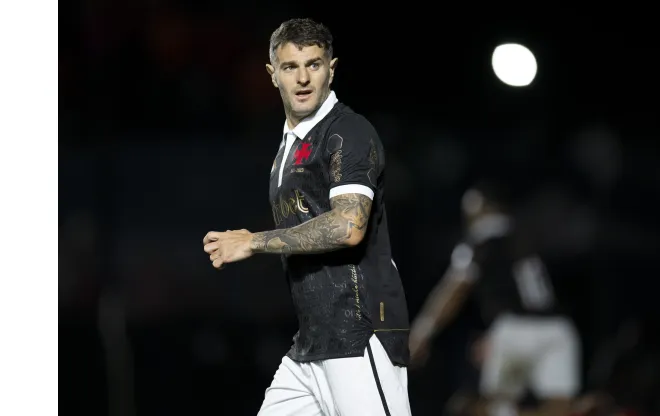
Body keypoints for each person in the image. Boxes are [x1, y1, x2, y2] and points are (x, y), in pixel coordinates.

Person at [202, 18, 412, 416]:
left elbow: (348, 226)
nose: (302, 78)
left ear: (331, 69)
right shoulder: (290, 144)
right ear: (272, 75)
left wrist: (253, 241)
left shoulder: (347, 132)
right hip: (312, 343)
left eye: (313, 65)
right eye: (290, 67)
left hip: (359, 333)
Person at [409, 181, 581, 416]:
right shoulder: (530, 233)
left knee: (495, 406)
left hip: (515, 329)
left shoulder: (482, 238)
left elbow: (455, 287)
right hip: (558, 328)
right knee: (559, 408)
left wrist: (423, 331)